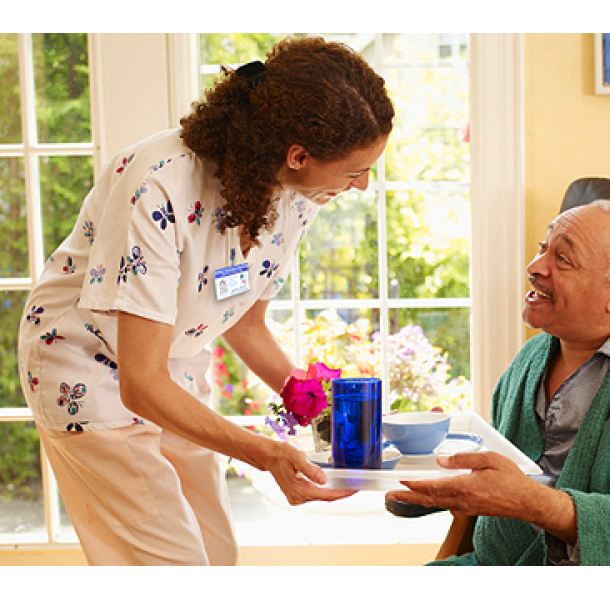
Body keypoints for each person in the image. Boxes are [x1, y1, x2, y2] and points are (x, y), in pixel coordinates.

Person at [18, 36, 394, 565]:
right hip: (86, 366)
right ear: (299, 154)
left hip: (170, 367)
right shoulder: (158, 183)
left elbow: (244, 323)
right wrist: (265, 454)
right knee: (171, 566)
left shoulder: (296, 193)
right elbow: (140, 381)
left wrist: (312, 399)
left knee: (216, 555)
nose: (362, 185)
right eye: (356, 170)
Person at [386, 200, 610, 565]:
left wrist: (539, 506)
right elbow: (496, 491)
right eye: (542, 248)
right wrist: (427, 471)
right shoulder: (531, 358)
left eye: (563, 259)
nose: (535, 267)